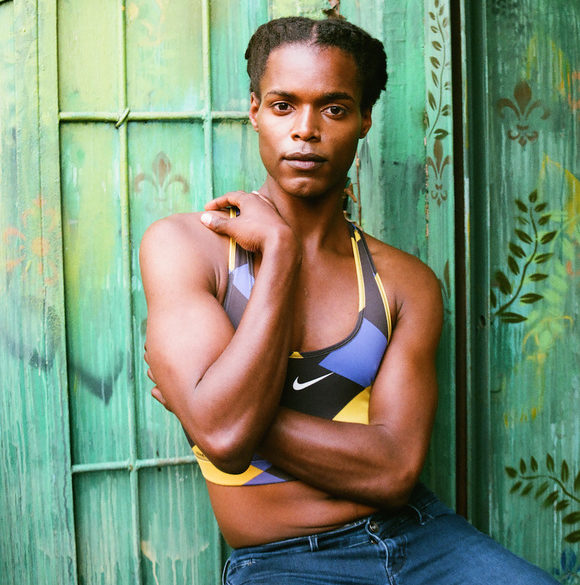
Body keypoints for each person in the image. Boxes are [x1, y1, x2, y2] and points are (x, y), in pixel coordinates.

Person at [140, 16, 558, 585]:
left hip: (421, 538)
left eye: (334, 109)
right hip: (281, 561)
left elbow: (393, 473)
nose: (306, 130)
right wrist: (280, 254)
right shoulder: (186, 247)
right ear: (255, 111)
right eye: (284, 105)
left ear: (364, 120)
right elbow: (224, 441)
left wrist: (209, 408)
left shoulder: (405, 284)